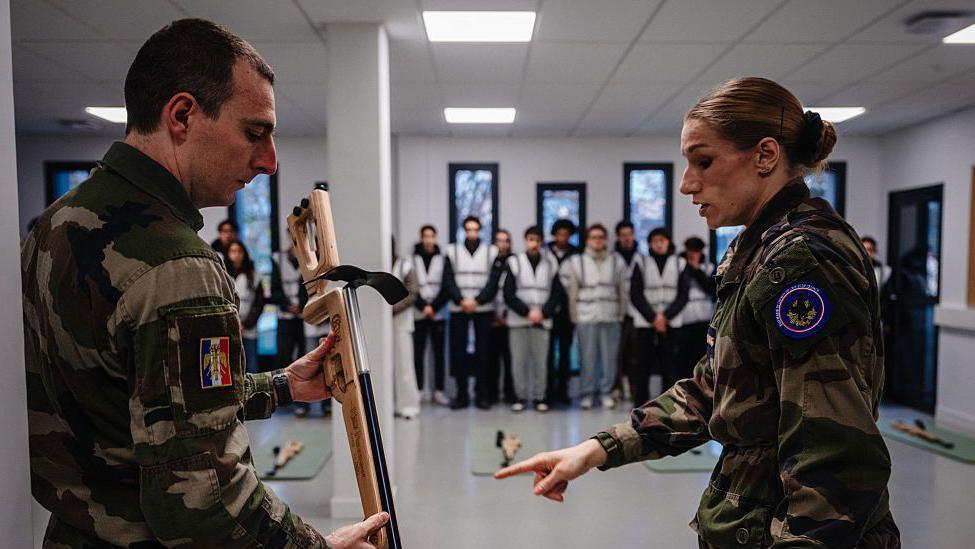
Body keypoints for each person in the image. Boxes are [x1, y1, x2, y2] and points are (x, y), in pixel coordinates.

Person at [21, 19, 386, 548]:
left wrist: (281, 385)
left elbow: (139, 401)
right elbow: (207, 499)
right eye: (254, 133)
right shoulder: (178, 266)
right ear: (182, 115)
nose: (269, 162)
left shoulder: (55, 224)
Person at [496, 77, 898, 548]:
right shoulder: (760, 248)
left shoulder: (801, 260)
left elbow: (831, 457)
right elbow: (715, 389)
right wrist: (596, 449)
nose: (687, 183)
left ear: (765, 155)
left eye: (703, 161)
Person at [559, 223, 626, 410]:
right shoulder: (577, 261)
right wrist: (574, 315)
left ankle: (606, 393)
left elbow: (623, 289)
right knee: (587, 357)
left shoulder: (616, 261)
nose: (597, 240)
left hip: (610, 315)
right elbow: (572, 291)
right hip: (585, 316)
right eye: (593, 237)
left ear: (606, 240)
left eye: (600, 237)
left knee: (609, 358)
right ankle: (587, 393)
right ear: (587, 240)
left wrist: (621, 314)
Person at [443, 215, 502, 409]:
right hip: (459, 308)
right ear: (464, 231)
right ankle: (461, 395)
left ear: (480, 231)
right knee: (458, 352)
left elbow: (494, 281)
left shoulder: (491, 252)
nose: (472, 233)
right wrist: (461, 301)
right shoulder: (452, 251)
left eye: (475, 229)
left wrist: (477, 301)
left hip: (482, 308)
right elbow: (448, 280)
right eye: (468, 229)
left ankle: (481, 395)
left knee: (483, 352)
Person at [504, 226, 565, 412]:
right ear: (525, 241)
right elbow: (508, 293)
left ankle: (540, 397)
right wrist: (527, 312)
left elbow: (557, 293)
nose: (534, 244)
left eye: (537, 240)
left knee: (541, 362)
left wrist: (543, 313)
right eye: (530, 240)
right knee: (518, 361)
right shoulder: (514, 262)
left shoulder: (551, 262)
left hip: (542, 320)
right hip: (519, 320)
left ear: (541, 242)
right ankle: (520, 397)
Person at [629, 227, 688, 402]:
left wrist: (665, 316)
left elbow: (683, 295)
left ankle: (669, 404)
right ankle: (641, 403)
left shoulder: (679, 263)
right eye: (655, 241)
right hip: (646, 323)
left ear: (668, 242)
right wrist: (654, 318)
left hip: (671, 323)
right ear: (650, 244)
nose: (659, 244)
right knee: (642, 365)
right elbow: (635, 294)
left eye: (662, 240)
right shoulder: (641, 262)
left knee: (669, 366)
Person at [412, 225, 451, 405]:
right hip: (419, 312)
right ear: (421, 238)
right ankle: (419, 390)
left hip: (438, 313)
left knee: (439, 353)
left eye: (431, 236)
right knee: (418, 353)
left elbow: (447, 286)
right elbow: (410, 287)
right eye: (425, 236)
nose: (428, 240)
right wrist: (423, 306)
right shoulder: (412, 260)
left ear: (435, 238)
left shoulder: (443, 259)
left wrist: (433, 307)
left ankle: (439, 391)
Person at [545, 218, 581, 406]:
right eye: (560, 234)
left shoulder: (576, 253)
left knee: (566, 353)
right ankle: (548, 391)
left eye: (566, 235)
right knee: (548, 353)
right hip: (548, 309)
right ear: (554, 234)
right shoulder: (545, 252)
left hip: (567, 310)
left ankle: (563, 391)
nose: (563, 238)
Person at [676, 236, 716, 383]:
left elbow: (710, 288)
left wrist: (696, 269)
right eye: (691, 251)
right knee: (683, 356)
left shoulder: (709, 267)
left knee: (701, 355)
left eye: (696, 251)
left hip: (704, 317)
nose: (693, 254)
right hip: (684, 317)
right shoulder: (679, 266)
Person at [224, 240, 267, 374]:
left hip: (248, 328)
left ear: (244, 254)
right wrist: (233, 323)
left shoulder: (253, 275)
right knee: (231, 366)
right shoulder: (222, 274)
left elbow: (259, 303)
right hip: (228, 326)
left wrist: (246, 324)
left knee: (251, 364)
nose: (236, 254)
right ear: (228, 254)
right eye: (233, 251)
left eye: (239, 251)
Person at [392, 237, 421, 419]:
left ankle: (408, 406)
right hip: (378, 324)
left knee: (404, 365)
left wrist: (392, 309)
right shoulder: (375, 266)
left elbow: (412, 292)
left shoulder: (405, 265)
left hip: (400, 322)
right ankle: (386, 405)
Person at [612, 220, 641, 403]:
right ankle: (616, 388)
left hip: (636, 313)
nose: (626, 238)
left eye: (629, 234)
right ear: (618, 237)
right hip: (616, 312)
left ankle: (633, 388)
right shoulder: (612, 258)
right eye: (623, 235)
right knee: (616, 353)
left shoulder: (641, 257)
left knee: (634, 354)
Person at [488, 228, 516, 405]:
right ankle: (491, 394)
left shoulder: (515, 262)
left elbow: (514, 292)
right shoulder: (489, 262)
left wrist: (505, 316)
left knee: (510, 357)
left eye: (506, 241)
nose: (503, 244)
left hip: (510, 317)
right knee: (491, 358)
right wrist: (494, 315)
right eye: (499, 240)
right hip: (491, 316)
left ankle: (510, 393)